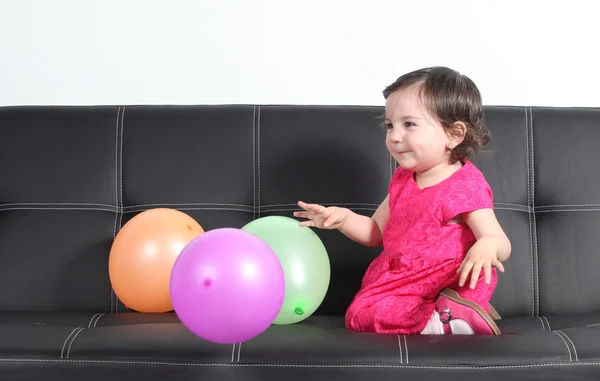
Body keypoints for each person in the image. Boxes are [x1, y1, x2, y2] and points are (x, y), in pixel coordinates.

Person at [294, 66, 511, 335]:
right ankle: (458, 317)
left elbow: (500, 241)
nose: (395, 136)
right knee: (360, 315)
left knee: (368, 316)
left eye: (409, 124)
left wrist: (487, 246)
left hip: (447, 280)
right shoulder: (403, 179)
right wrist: (343, 219)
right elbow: (376, 232)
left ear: (454, 135)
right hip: (407, 281)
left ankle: (447, 317)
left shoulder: (465, 185)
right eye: (389, 125)